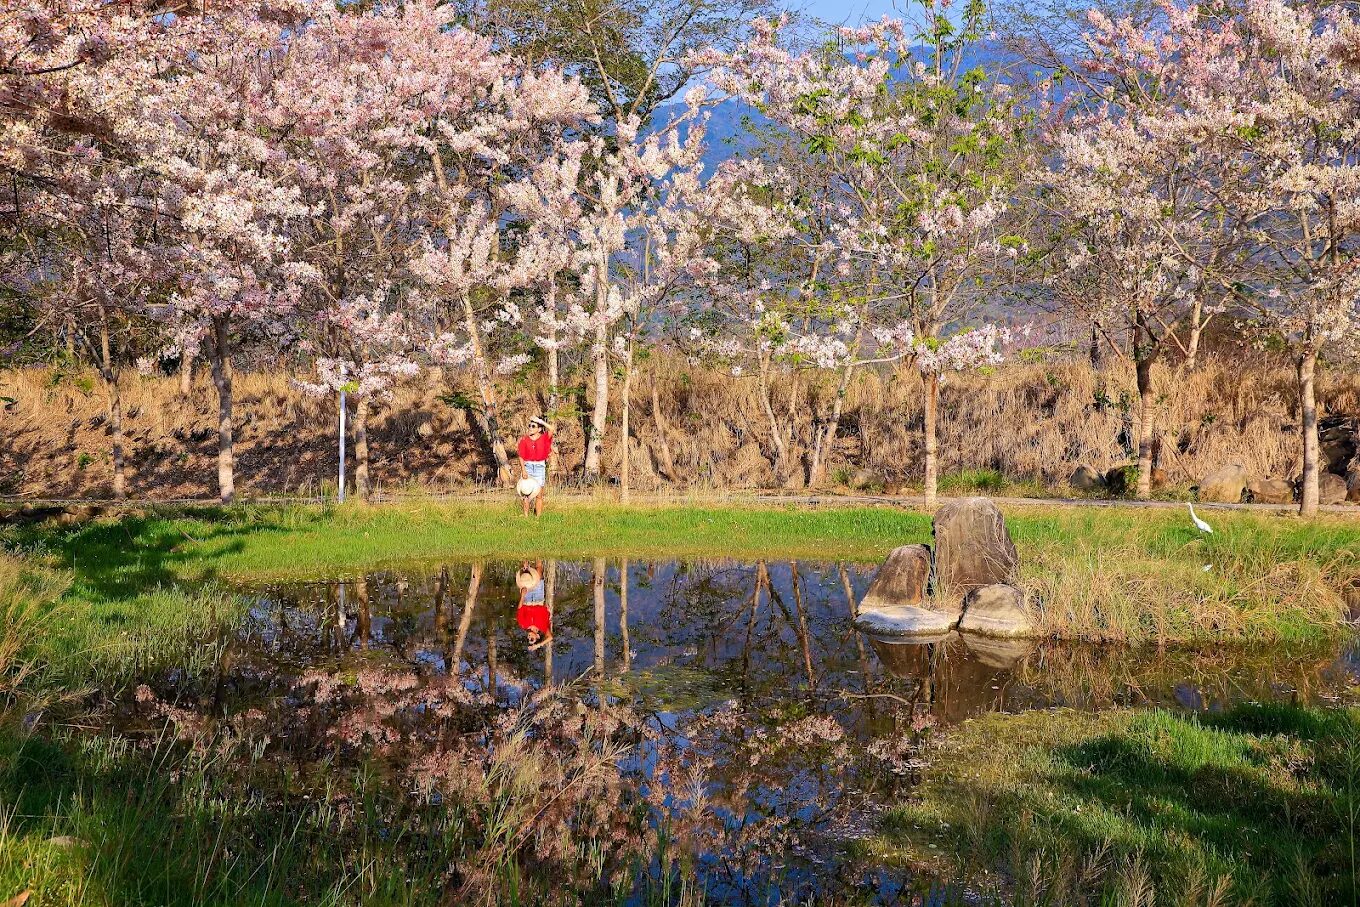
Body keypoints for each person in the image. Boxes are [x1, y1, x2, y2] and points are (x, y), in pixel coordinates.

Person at [516, 416, 552, 517]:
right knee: (526, 492)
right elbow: (521, 455)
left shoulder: (544, 438)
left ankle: (538, 518)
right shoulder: (524, 439)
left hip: (539, 466)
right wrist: (523, 470)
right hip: (528, 466)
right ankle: (526, 516)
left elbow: (551, 429)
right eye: (529, 426)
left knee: (539, 494)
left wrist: (540, 421)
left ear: (539, 429)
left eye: (533, 426)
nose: (530, 428)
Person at [515, 560, 551, 650]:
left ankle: (525, 561)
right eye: (532, 639)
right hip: (538, 599)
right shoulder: (543, 626)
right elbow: (550, 638)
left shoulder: (523, 624)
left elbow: (519, 609)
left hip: (526, 598)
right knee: (538, 572)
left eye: (528, 639)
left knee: (526, 576)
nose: (529, 637)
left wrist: (522, 596)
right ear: (538, 636)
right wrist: (538, 645)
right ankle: (538, 553)